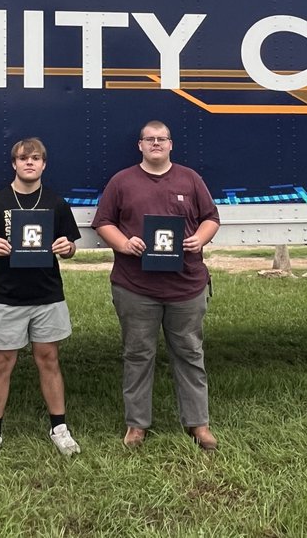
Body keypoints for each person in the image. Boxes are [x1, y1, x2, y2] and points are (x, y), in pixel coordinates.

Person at [92, 120, 220, 451]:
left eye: (162, 139)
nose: (156, 143)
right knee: (137, 355)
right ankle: (136, 425)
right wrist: (123, 244)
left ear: (171, 144)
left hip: (186, 287)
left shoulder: (190, 179)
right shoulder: (122, 181)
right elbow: (103, 222)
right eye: (149, 139)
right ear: (140, 145)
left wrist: (199, 238)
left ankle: (198, 423)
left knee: (190, 353)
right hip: (135, 287)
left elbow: (211, 218)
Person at [0, 137, 82, 462]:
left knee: (48, 359)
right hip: (6, 296)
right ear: (14, 164)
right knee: (1, 362)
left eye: (35, 158)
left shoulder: (56, 203)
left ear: (44, 164)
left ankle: (59, 427)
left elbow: (71, 247)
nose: (29, 163)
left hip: (47, 295)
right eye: (23, 158)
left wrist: (68, 248)